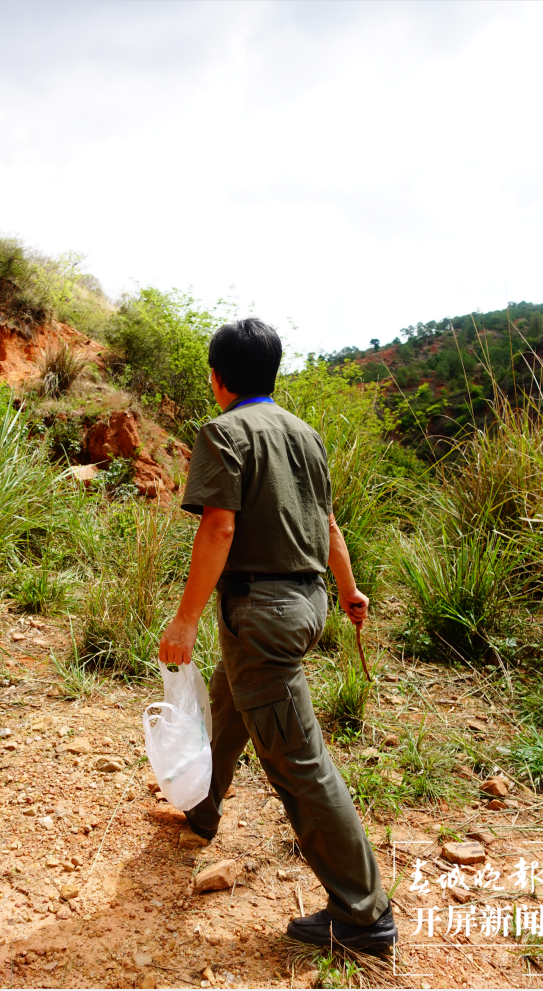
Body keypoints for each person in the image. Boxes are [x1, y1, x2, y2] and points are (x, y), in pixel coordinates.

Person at [158, 318, 396, 951]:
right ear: (273, 372)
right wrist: (348, 590)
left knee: (299, 763)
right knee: (227, 698)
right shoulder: (305, 435)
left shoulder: (224, 432)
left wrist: (184, 619)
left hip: (261, 613)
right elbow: (328, 525)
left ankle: (364, 913)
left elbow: (218, 530)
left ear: (217, 377)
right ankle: (203, 811)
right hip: (305, 602)